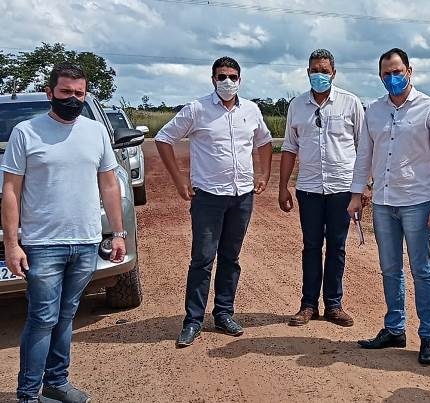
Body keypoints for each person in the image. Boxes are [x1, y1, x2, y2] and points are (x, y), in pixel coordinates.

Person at [2, 62, 126, 403]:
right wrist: (12, 243)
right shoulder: (26, 132)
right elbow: (11, 190)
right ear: (50, 93)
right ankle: (28, 394)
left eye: (79, 93)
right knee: (43, 318)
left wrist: (118, 233)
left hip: (85, 241)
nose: (73, 99)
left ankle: (56, 383)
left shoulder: (95, 132)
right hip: (43, 244)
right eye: (65, 92)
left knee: (66, 315)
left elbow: (109, 184)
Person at [155, 56, 273, 348]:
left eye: (232, 76)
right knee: (203, 259)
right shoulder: (197, 109)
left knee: (231, 258)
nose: (227, 82)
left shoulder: (251, 110)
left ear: (240, 80)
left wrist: (264, 174)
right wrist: (179, 180)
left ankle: (223, 313)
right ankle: (193, 320)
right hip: (208, 196)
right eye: (221, 77)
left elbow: (264, 141)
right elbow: (163, 138)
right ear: (213, 80)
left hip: (242, 196)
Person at [348, 48, 430, 365]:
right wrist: (357, 193)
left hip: (417, 202)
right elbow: (364, 155)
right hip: (383, 203)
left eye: (397, 72)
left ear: (410, 71)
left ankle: (428, 335)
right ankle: (395, 328)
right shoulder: (374, 111)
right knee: (390, 268)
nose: (392, 78)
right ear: (380, 76)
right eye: (386, 73)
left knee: (421, 270)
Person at [279, 49, 364, 327]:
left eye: (324, 71)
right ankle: (308, 305)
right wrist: (283, 186)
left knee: (337, 246)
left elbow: (364, 147)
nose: (320, 75)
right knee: (311, 246)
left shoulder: (350, 103)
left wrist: (365, 186)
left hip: (342, 188)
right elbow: (289, 147)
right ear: (307, 72)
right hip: (309, 189)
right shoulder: (297, 106)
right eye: (315, 70)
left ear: (334, 73)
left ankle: (334, 305)